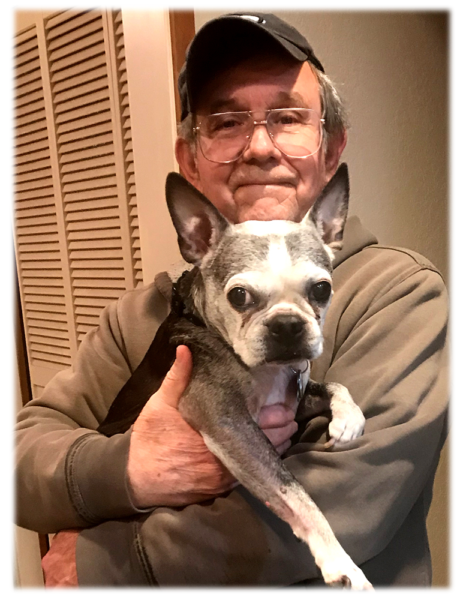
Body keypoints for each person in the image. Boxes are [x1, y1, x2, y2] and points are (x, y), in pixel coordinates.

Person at [8, 12, 454, 595]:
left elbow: (354, 505)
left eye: (288, 118)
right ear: (189, 161)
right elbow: (21, 459)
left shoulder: (398, 292)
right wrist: (131, 469)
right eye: (225, 123)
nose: (259, 147)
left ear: (332, 146)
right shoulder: (142, 314)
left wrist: (104, 564)